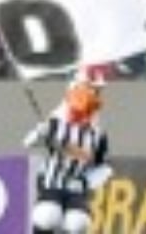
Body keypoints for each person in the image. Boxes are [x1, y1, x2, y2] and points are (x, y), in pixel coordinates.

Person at [25, 73, 113, 233]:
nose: (95, 94)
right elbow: (28, 142)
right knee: (47, 215)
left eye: (97, 91)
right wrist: (40, 133)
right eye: (92, 89)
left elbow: (104, 167)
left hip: (77, 189)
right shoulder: (56, 122)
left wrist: (85, 182)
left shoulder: (98, 134)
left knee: (77, 222)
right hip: (52, 183)